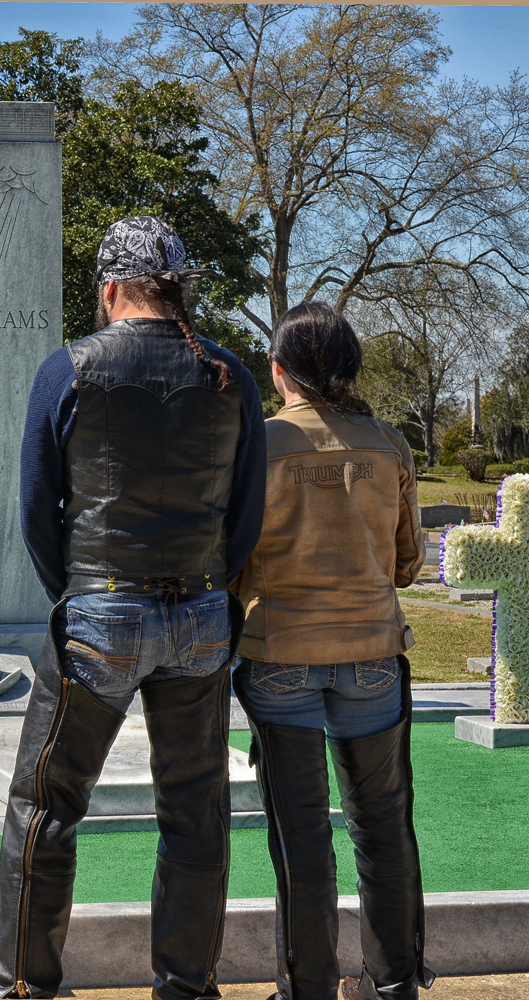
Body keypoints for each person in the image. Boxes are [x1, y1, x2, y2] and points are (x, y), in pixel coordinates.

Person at [0, 216, 267, 1000]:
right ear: (180, 289)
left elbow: (37, 508)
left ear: (110, 289)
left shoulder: (71, 368)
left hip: (101, 608)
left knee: (45, 808)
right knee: (196, 817)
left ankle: (26, 990)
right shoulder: (230, 375)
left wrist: (77, 593)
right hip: (201, 613)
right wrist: (210, 590)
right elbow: (246, 514)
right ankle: (186, 987)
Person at [231, 301, 435, 1000]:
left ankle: (306, 988)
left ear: (277, 370)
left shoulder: (258, 445)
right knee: (384, 830)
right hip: (373, 653)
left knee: (301, 840)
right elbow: (407, 565)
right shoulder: (390, 444)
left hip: (280, 653)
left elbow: (232, 562)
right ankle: (396, 982)